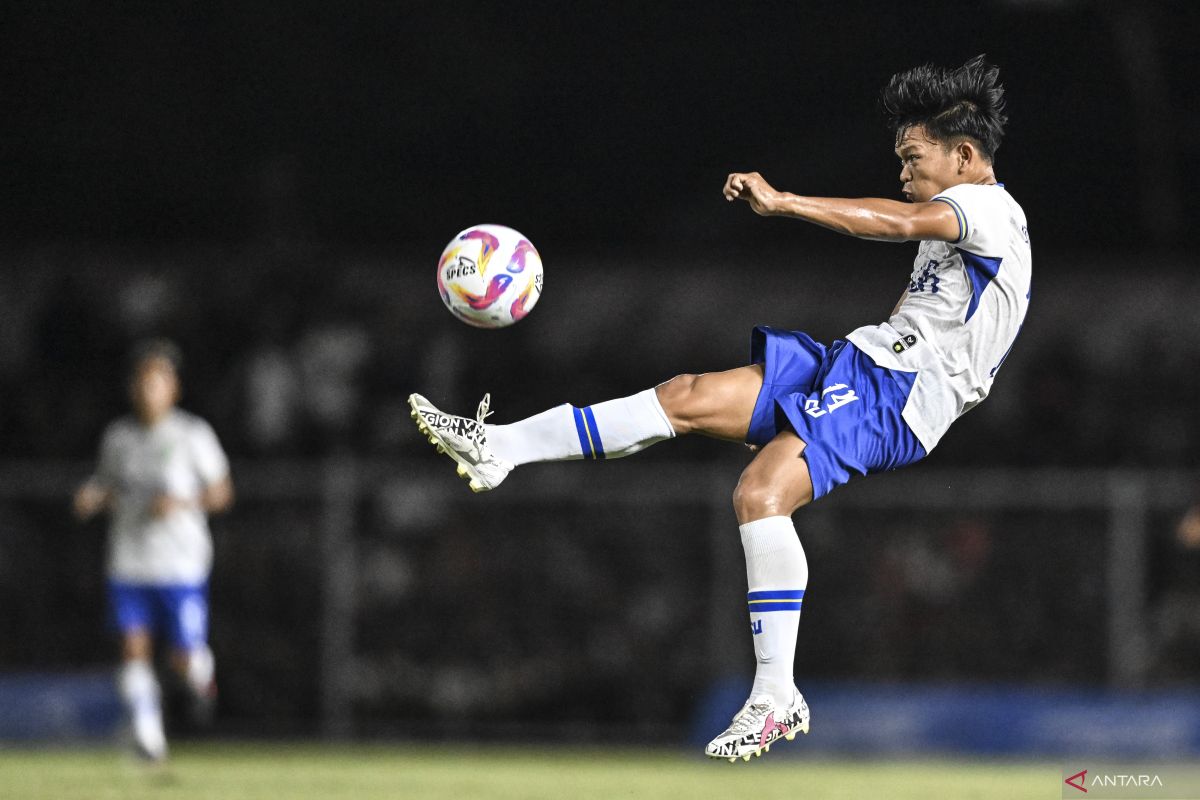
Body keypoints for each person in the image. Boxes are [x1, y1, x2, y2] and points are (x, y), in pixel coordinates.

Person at [408, 54, 1030, 762]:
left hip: (896, 395)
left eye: (912, 157)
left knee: (760, 493)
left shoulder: (986, 209)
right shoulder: (968, 219)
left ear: (967, 155)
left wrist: (788, 201)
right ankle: (503, 449)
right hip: (866, 363)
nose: (902, 171)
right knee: (687, 397)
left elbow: (893, 222)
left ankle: (775, 694)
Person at [74, 340, 234, 762]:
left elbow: (221, 492)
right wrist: (92, 496)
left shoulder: (191, 434)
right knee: (133, 648)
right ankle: (149, 739)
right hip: (129, 560)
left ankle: (200, 676)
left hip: (180, 563)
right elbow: (107, 485)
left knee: (184, 658)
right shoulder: (119, 438)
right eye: (143, 383)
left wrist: (181, 504)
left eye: (157, 382)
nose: (149, 391)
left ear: (173, 389)